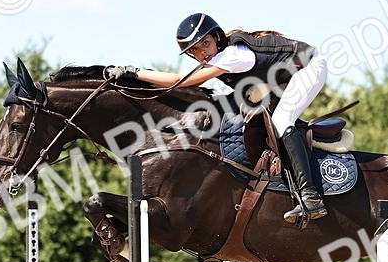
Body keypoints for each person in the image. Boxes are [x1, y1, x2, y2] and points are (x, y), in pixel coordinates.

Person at [106, 13, 329, 227]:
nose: (202, 52)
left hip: (309, 67)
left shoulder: (232, 56)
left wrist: (133, 72)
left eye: (205, 43)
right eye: (195, 50)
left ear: (217, 37)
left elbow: (180, 80)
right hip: (284, 75)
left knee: (281, 120)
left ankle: (310, 197)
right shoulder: (224, 54)